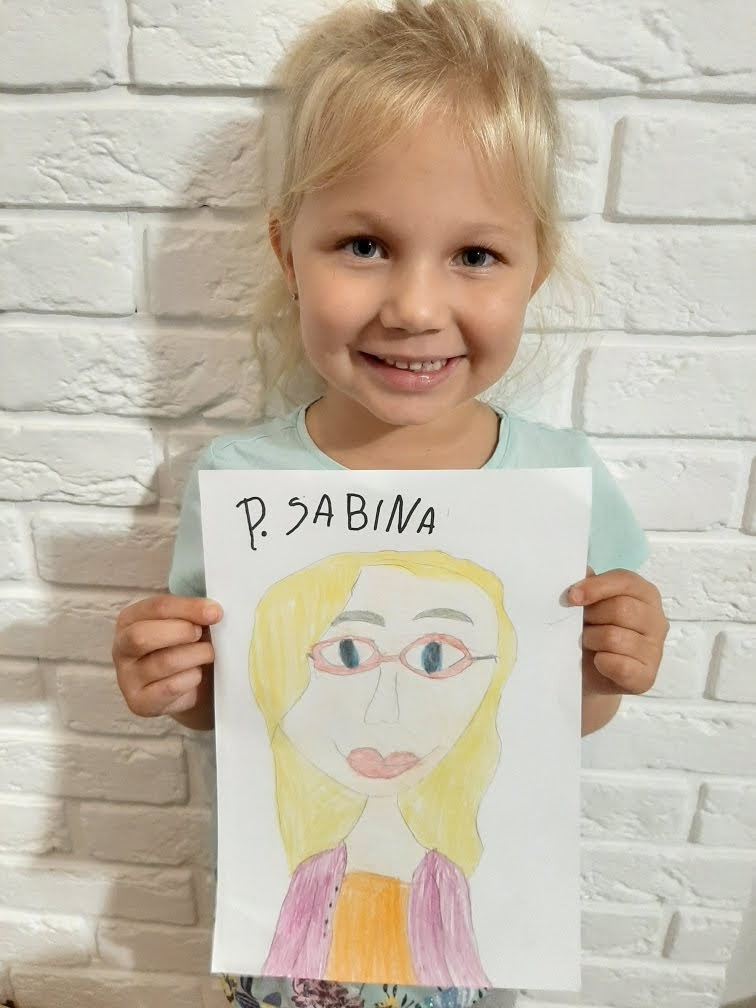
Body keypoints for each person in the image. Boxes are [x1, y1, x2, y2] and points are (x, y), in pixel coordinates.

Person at [112, 1, 669, 1007]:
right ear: (288, 255)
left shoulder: (562, 482)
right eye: (364, 244)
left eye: (475, 256)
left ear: (536, 269)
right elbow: (236, 711)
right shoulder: (242, 482)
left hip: (469, 953)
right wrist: (172, 682)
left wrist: (610, 667)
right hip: (284, 953)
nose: (414, 308)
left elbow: (553, 723)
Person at [248, 551, 515, 987]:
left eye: (435, 656)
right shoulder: (313, 877)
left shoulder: (442, 883)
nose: (384, 710)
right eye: (347, 653)